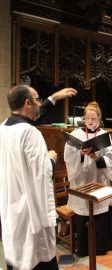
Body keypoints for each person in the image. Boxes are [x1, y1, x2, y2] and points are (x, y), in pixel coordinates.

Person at [0, 85, 58, 269]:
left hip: (10, 207)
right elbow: (41, 175)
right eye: (37, 99)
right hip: (30, 213)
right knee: (35, 257)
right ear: (28, 103)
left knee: (17, 258)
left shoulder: (3, 128)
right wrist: (52, 159)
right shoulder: (30, 133)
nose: (39, 103)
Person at [64, 101, 112, 257]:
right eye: (87, 117)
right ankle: (83, 248)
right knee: (82, 213)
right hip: (81, 179)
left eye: (93, 118)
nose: (90, 121)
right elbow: (68, 157)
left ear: (99, 118)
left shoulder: (104, 135)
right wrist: (80, 155)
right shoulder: (76, 134)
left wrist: (96, 157)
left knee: (100, 213)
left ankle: (100, 247)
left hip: (99, 179)